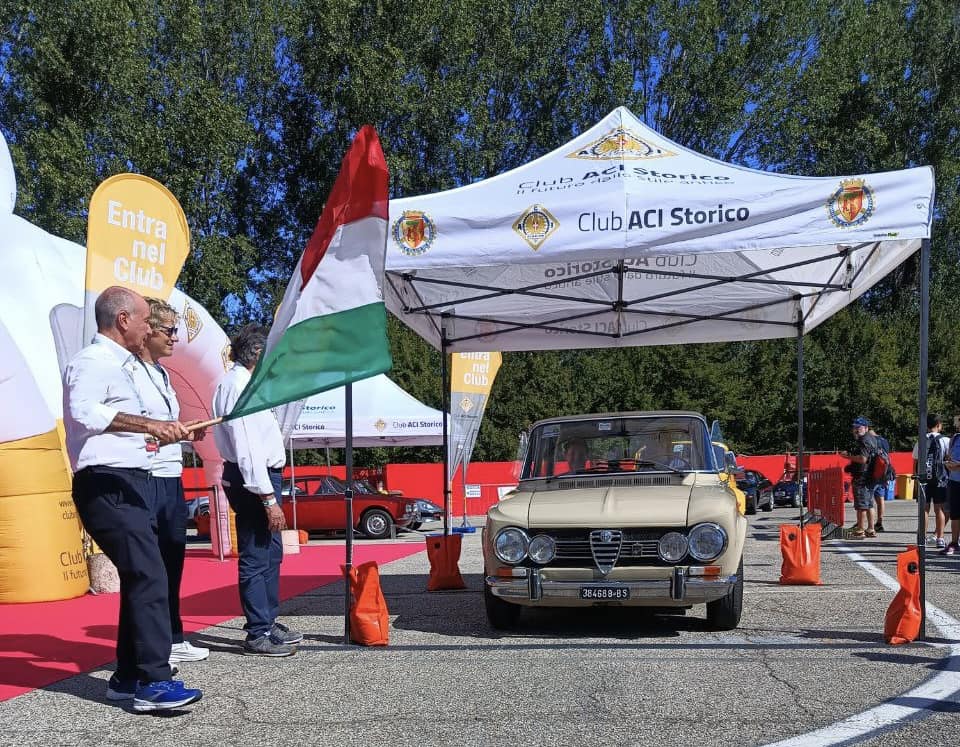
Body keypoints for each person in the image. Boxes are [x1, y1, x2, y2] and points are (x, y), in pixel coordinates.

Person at [63, 286, 203, 711]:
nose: (150, 329)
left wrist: (168, 430)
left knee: (145, 575)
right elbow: (82, 411)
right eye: (146, 320)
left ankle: (127, 676)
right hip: (106, 484)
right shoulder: (91, 362)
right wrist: (148, 425)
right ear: (123, 319)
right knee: (149, 575)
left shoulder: (126, 366)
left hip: (134, 483)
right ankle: (154, 683)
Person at [211, 324, 302, 656]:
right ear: (258, 354)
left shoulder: (246, 383)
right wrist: (267, 497)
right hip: (254, 478)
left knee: (270, 552)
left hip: (260, 475)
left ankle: (268, 621)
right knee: (256, 554)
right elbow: (247, 446)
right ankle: (258, 631)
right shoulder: (237, 386)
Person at [134, 298, 210, 664]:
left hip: (171, 475)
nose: (174, 339)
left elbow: (163, 428)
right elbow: (133, 428)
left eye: (176, 331)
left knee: (174, 561)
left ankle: (174, 635)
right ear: (146, 330)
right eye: (168, 331)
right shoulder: (129, 371)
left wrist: (185, 433)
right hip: (146, 476)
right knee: (151, 568)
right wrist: (162, 433)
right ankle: (153, 643)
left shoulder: (163, 374)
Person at [913, 413, 950, 550]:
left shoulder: (921, 440)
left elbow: (916, 461)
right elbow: (948, 459)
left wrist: (916, 478)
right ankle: (940, 538)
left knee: (925, 508)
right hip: (940, 479)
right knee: (939, 508)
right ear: (939, 425)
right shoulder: (946, 440)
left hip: (924, 479)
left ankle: (921, 537)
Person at [840, 416, 878, 539]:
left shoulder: (863, 440)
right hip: (871, 475)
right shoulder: (872, 439)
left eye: (859, 427)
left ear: (866, 428)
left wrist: (847, 457)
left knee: (861, 505)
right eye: (854, 427)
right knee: (869, 504)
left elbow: (863, 459)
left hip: (862, 475)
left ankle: (860, 529)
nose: (856, 430)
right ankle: (871, 529)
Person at [869, 425, 892, 532]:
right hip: (883, 472)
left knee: (868, 499)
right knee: (880, 499)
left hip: (872, 473)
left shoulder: (870, 440)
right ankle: (879, 522)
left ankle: (869, 524)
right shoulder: (884, 441)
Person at [943, 414, 960, 555]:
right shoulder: (955, 438)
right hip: (954, 481)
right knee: (955, 514)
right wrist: (948, 464)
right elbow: (949, 456)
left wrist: (958, 465)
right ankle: (954, 542)